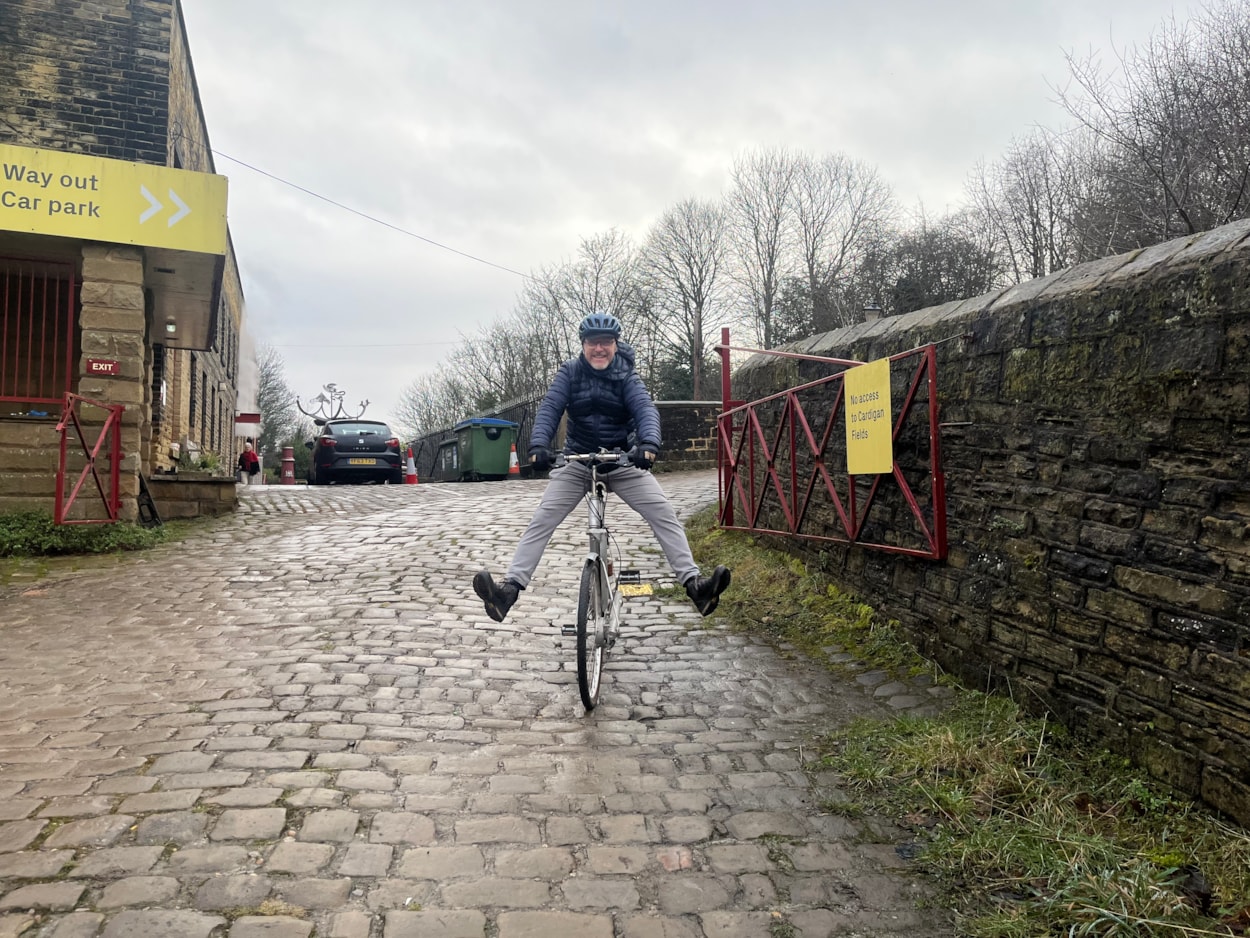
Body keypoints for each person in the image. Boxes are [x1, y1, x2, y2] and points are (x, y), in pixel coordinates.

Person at [473, 312, 731, 623]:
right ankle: (508, 592)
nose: (600, 349)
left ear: (615, 344)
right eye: (593, 342)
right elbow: (550, 409)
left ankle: (695, 587)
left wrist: (648, 445)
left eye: (606, 342)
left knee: (663, 512)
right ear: (583, 345)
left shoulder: (627, 375)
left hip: (621, 461)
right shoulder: (568, 373)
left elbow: (645, 410)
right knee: (542, 519)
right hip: (578, 461)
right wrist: (538, 446)